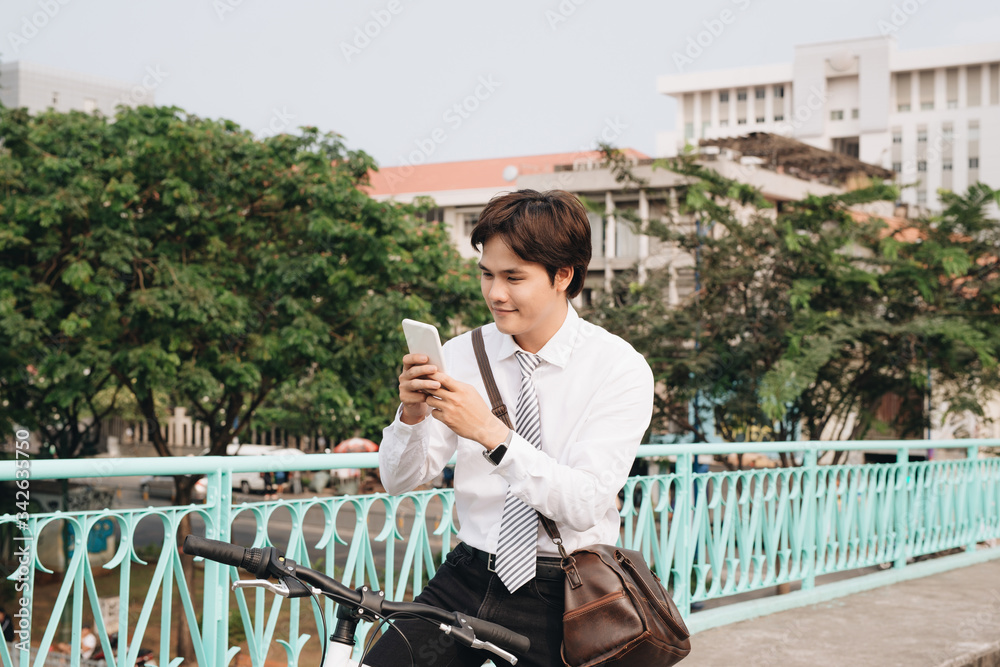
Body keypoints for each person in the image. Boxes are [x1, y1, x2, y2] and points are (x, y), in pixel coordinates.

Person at [366, 189, 654, 667]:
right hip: (469, 572)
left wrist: (491, 434)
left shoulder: (618, 368)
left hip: (565, 590)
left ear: (564, 275)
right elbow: (399, 480)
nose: (495, 293)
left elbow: (584, 502)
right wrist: (412, 416)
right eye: (487, 274)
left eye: (513, 277)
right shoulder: (461, 353)